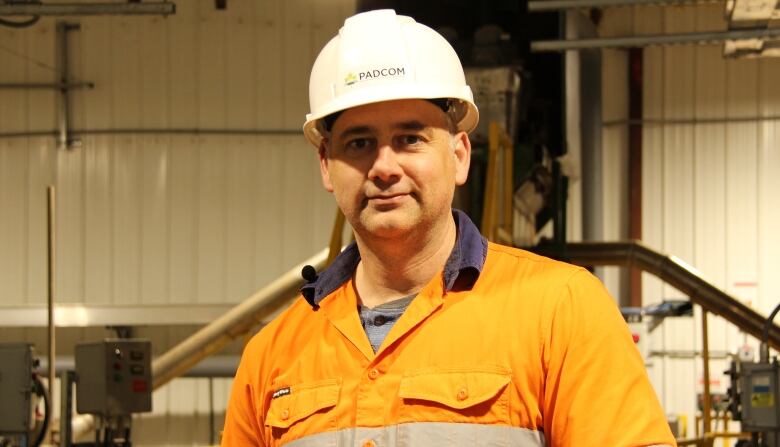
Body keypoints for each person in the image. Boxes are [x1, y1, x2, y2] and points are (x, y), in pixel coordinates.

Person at [222, 9, 675, 447]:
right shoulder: (272, 356)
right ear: (326, 166)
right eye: (359, 143)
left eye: (409, 139)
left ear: (459, 155)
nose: (384, 167)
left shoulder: (561, 312)